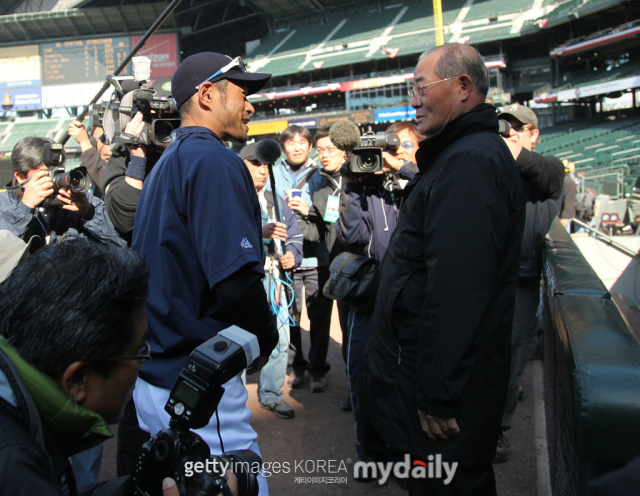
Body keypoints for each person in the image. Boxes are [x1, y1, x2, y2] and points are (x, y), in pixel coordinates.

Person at [364, 43, 527, 496]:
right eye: (410, 88)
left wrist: (437, 393)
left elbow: (458, 291)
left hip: (443, 399)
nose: (413, 99)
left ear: (462, 87)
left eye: (421, 87)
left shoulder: (470, 162)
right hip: (438, 383)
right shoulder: (460, 156)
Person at [131, 52, 277, 495]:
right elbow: (235, 283)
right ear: (208, 94)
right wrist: (264, 339)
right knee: (239, 485)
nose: (250, 104)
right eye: (242, 92)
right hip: (196, 377)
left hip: (161, 373)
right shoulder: (213, 159)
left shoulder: (169, 160)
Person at [0, 239, 179, 496]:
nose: (142, 363)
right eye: (138, 351)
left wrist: (137, 489)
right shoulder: (16, 470)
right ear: (77, 380)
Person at [334, 122, 421, 467]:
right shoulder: (370, 188)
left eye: (403, 148)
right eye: (389, 151)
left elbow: (438, 191)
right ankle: (369, 450)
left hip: (414, 300)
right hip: (372, 297)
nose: (392, 156)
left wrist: (406, 169)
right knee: (363, 372)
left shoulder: (425, 183)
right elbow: (351, 234)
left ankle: (406, 448)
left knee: (409, 376)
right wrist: (352, 184)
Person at [495, 103, 564, 463]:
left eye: (517, 128)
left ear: (533, 133)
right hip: (487, 277)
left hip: (521, 281)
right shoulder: (495, 169)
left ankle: (499, 429)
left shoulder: (549, 167)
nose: (510, 133)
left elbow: (535, 167)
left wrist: (503, 142)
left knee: (509, 359)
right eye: (504, 127)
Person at [240, 141, 303, 419]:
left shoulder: (275, 199)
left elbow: (296, 235)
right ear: (240, 165)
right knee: (240, 342)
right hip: (242, 284)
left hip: (275, 280)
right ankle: (235, 403)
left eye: (265, 164)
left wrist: (294, 256)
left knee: (279, 338)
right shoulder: (231, 198)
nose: (262, 170)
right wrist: (258, 230)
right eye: (255, 164)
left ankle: (271, 394)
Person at [287, 125, 349, 395]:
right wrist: (297, 217)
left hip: (349, 265)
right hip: (331, 264)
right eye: (322, 150)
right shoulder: (323, 189)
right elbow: (322, 231)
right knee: (294, 318)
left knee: (340, 326)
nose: (325, 155)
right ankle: (352, 388)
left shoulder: (356, 179)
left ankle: (325, 372)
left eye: (330, 149)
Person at [0, 136, 126, 250]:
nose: (54, 178)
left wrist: (89, 213)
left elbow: (121, 245)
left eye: (59, 171)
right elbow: (4, 255)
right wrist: (25, 207)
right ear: (21, 178)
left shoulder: (79, 200)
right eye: (46, 173)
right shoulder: (4, 205)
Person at [559, 159, 577, 233]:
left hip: (563, 218)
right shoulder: (563, 180)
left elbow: (569, 200)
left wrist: (564, 217)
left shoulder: (569, 182)